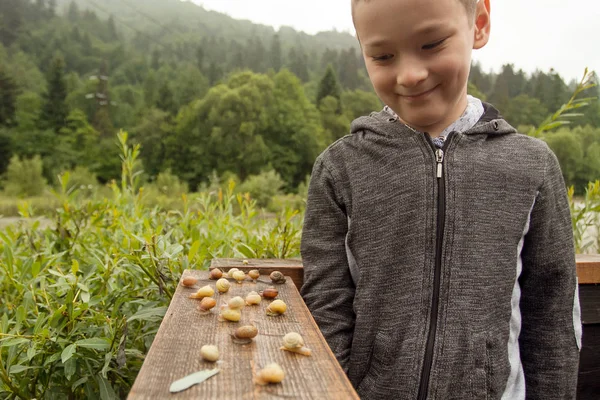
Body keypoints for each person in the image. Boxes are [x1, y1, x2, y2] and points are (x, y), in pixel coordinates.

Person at [300, 0, 582, 399]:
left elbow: (553, 315)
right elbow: (326, 307)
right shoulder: (340, 168)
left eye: (431, 44)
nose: (410, 75)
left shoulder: (531, 165)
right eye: (383, 56)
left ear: (479, 24)